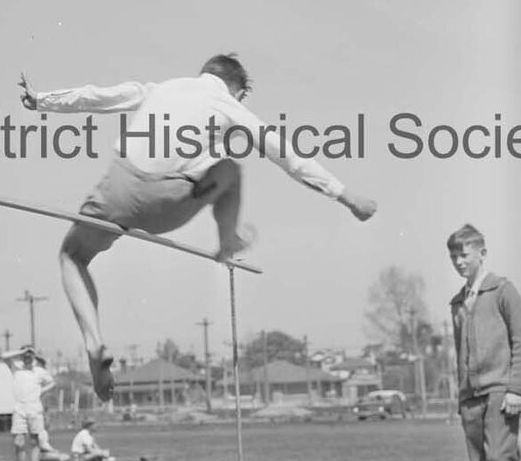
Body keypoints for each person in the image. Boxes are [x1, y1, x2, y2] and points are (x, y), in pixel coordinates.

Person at [19, 55, 377, 401]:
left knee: (73, 256)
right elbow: (285, 153)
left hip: (118, 190)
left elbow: (99, 96)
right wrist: (345, 196)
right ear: (237, 89)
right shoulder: (226, 103)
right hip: (167, 203)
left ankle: (93, 341)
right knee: (230, 170)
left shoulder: (161, 89)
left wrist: (41, 101)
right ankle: (227, 243)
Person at [447, 224, 521, 461]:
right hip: (470, 400)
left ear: (482, 253)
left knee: (498, 460)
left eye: (463, 254)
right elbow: (460, 355)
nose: (458, 261)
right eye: (453, 256)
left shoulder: (502, 291)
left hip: (500, 394)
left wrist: (516, 390)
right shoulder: (457, 303)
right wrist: (461, 398)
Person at [4, 346, 55, 461]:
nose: (27, 357)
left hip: (34, 409)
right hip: (19, 409)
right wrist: (21, 351)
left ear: (34, 356)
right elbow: (4, 356)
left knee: (34, 441)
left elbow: (52, 382)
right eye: (25, 355)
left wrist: (41, 391)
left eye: (30, 355)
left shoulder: (39, 371)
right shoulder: (16, 367)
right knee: (18, 442)